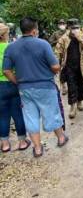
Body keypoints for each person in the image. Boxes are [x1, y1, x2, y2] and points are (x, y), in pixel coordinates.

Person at [3, 17, 68, 158]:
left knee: (30, 117)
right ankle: (61, 138)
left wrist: (17, 82)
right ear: (34, 31)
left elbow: (6, 71)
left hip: (24, 89)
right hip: (45, 86)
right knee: (52, 113)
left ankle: (37, 149)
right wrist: (54, 70)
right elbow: (56, 66)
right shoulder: (43, 44)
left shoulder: (11, 47)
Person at [0, 23, 31, 153]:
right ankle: (22, 142)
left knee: (2, 116)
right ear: (4, 34)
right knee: (18, 113)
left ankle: (5, 144)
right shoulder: (11, 47)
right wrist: (17, 82)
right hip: (12, 84)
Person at [55, 19, 83, 119]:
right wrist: (57, 64)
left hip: (82, 66)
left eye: (76, 28)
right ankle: (73, 107)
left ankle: (80, 101)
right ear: (68, 28)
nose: (75, 30)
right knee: (71, 87)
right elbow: (58, 52)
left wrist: (80, 39)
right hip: (69, 67)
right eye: (73, 28)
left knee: (82, 85)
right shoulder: (64, 38)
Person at [49, 19, 68, 95]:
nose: (62, 24)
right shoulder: (55, 33)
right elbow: (50, 42)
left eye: (63, 23)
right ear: (58, 25)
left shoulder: (68, 33)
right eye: (60, 23)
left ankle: (69, 86)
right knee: (61, 71)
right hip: (59, 54)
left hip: (69, 54)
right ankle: (63, 87)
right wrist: (58, 41)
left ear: (66, 24)